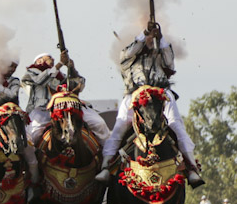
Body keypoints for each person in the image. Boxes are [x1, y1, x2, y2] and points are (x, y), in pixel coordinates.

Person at [96, 22, 203, 186]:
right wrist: (144, 33)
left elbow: (170, 62)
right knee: (119, 129)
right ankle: (106, 167)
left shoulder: (160, 54)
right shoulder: (127, 56)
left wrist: (160, 38)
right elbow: (129, 52)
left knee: (176, 125)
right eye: (146, 37)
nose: (149, 39)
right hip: (135, 95)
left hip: (161, 94)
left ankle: (191, 169)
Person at [22, 52, 109, 146]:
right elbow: (41, 80)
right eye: (49, 57)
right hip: (43, 110)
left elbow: (78, 86)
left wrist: (71, 69)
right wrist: (59, 64)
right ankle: (33, 160)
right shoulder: (30, 73)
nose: (53, 59)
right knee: (34, 134)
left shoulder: (60, 75)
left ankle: (107, 155)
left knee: (99, 124)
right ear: (39, 60)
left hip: (69, 106)